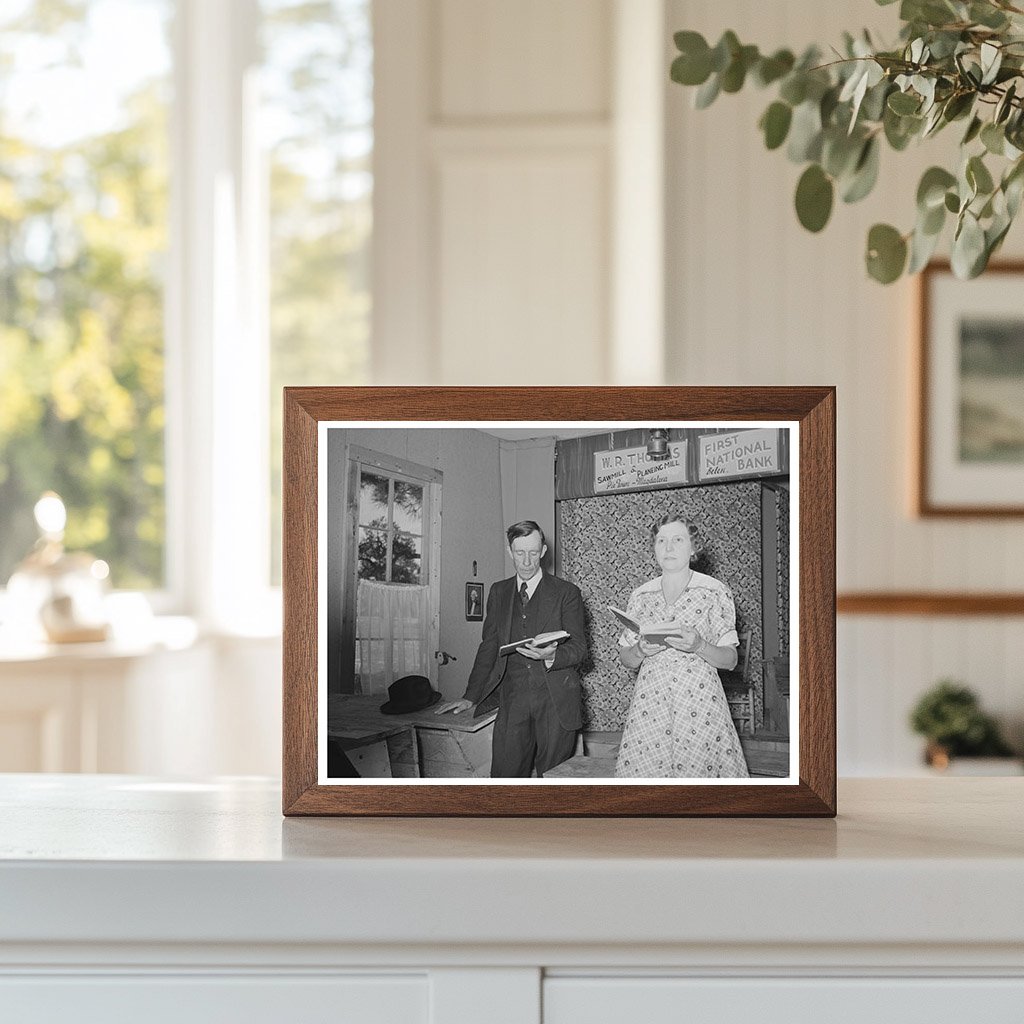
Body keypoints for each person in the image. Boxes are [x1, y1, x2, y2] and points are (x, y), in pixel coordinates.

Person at [437, 520, 586, 777]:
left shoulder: (567, 593)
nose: (527, 561)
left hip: (556, 700)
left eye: (533, 552)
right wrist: (471, 695)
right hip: (513, 699)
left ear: (543, 551)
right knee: (504, 778)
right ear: (510, 551)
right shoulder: (499, 591)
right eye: (520, 553)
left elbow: (580, 649)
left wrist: (553, 655)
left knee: (553, 783)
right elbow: (489, 646)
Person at [615, 513, 749, 779]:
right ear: (654, 548)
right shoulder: (641, 595)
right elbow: (626, 659)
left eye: (678, 540)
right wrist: (639, 650)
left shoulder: (714, 591)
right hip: (650, 705)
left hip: (699, 705)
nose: (668, 547)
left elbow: (730, 660)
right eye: (661, 541)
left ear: (693, 547)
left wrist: (699, 645)